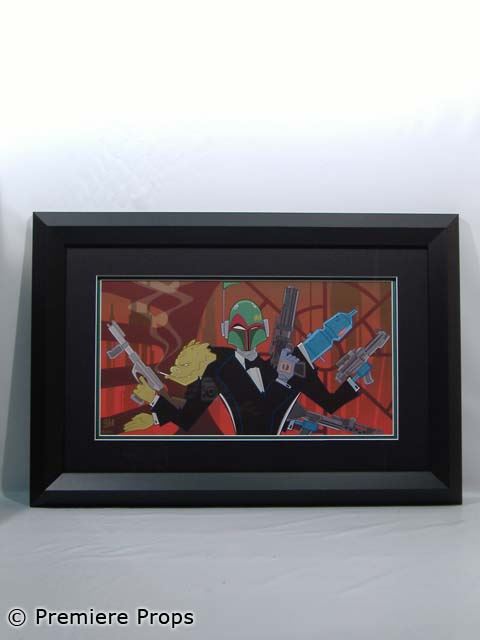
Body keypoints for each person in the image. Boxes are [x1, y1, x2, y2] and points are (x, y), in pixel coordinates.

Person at [124, 299, 369, 436]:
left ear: (264, 329)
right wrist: (155, 406)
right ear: (226, 330)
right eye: (239, 330)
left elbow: (330, 402)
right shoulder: (217, 368)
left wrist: (356, 375)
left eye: (253, 329)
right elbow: (189, 414)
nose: (247, 336)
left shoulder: (291, 364)